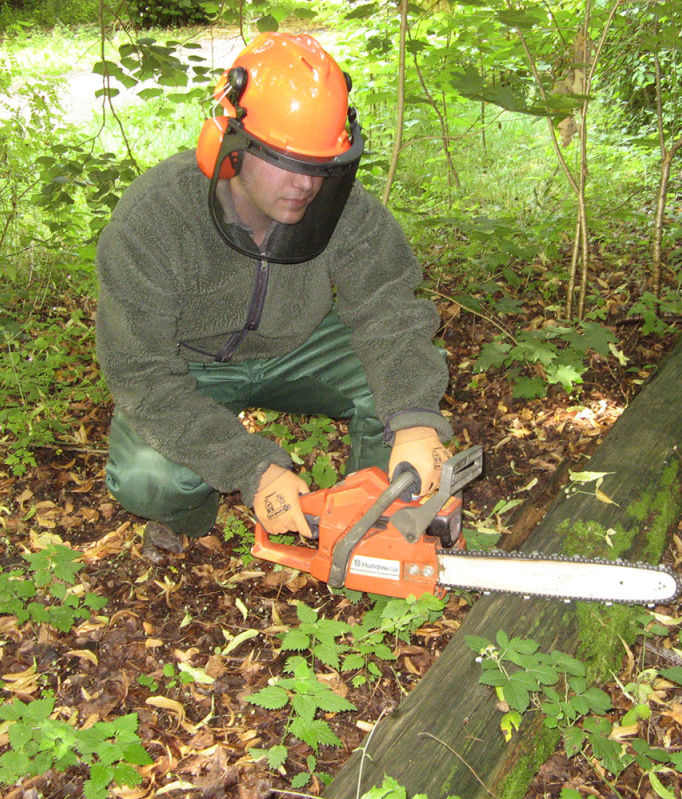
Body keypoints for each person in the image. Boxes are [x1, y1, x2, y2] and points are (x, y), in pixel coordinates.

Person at [95, 32, 453, 561]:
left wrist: (418, 418)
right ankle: (188, 522)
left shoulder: (344, 208)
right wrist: (252, 467)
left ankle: (370, 523)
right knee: (150, 479)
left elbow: (389, 310)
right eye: (285, 160)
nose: (306, 185)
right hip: (189, 365)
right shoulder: (154, 217)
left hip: (300, 343)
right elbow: (140, 373)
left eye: (320, 165)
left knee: (399, 398)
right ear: (230, 145)